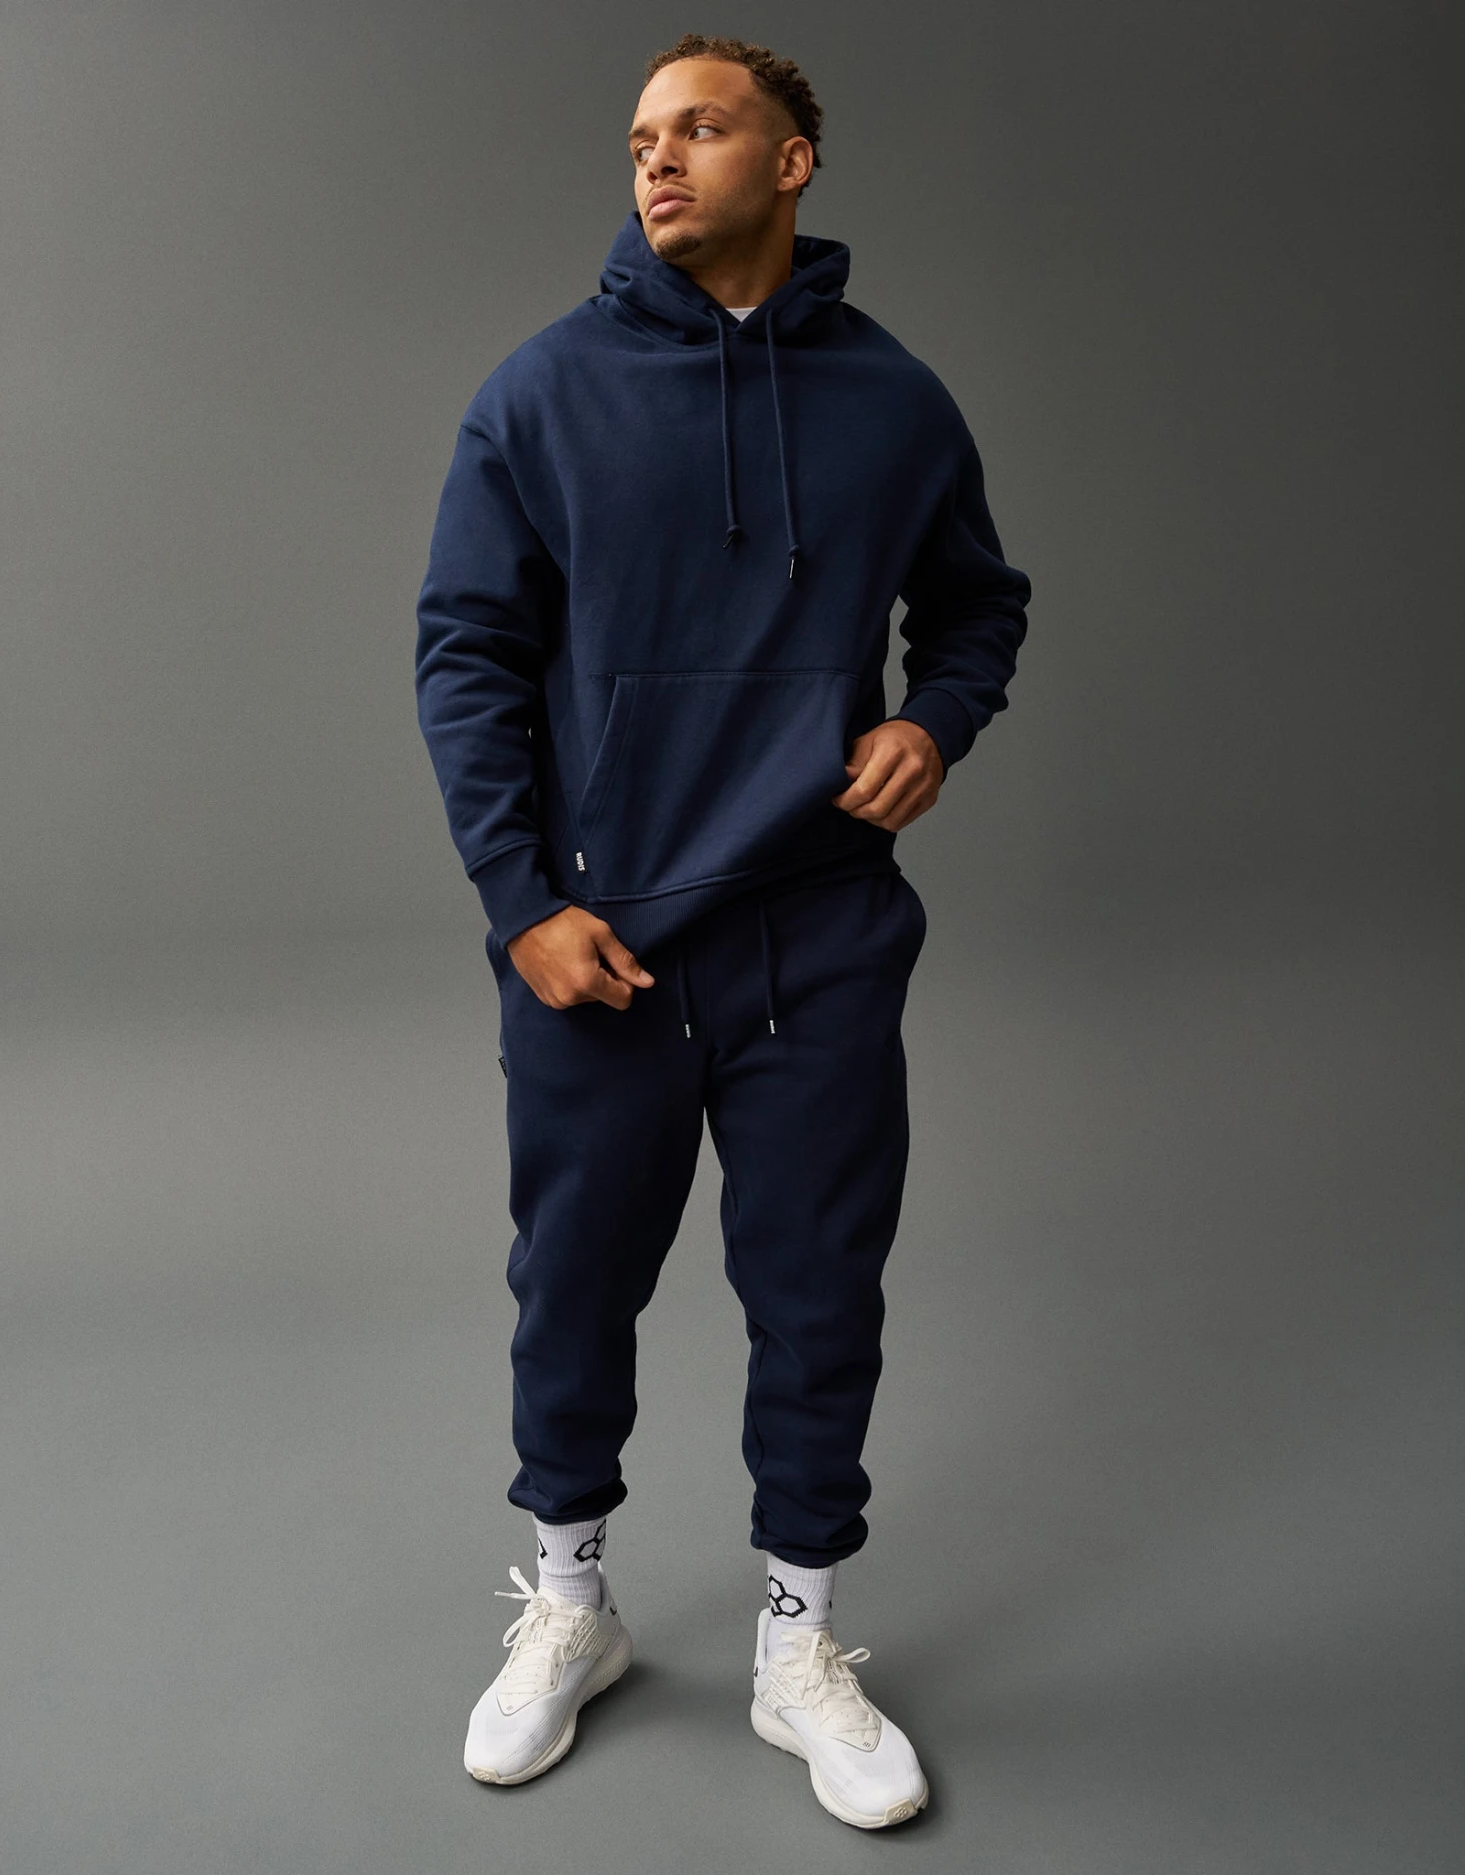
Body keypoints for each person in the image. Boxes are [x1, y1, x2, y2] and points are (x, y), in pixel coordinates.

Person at [414, 32, 1031, 1830]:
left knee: (820, 1292)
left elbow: (978, 608)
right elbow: (464, 657)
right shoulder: (540, 395)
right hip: (601, 947)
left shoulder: (895, 402)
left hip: (819, 935)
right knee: (573, 1288)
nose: (658, 160)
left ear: (794, 158)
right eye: (639, 139)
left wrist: (939, 721)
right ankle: (574, 1604)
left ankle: (798, 1639)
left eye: (699, 127)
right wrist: (523, 908)